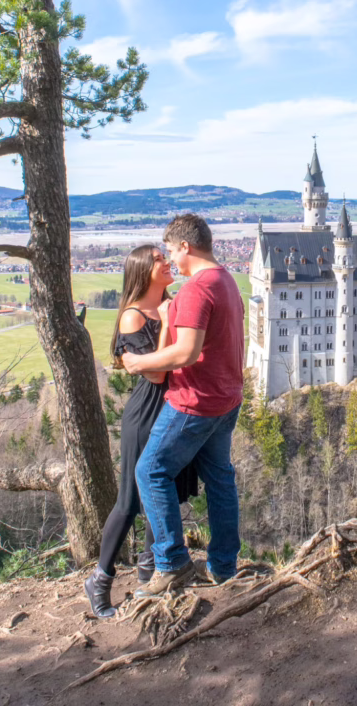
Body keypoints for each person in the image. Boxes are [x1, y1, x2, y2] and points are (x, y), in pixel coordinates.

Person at [123, 213, 244, 595]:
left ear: (186, 247)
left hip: (195, 401)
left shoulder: (196, 289)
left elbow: (187, 352)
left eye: (172, 251)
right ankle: (223, 567)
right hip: (227, 397)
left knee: (150, 472)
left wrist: (139, 362)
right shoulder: (226, 280)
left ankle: (172, 564)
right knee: (221, 480)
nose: (172, 259)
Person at [84, 245, 198, 618]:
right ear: (142, 270)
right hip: (147, 413)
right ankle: (101, 579)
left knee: (160, 498)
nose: (167, 262)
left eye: (166, 257)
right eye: (159, 259)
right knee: (130, 501)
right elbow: (155, 373)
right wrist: (165, 320)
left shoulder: (171, 303)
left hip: (174, 410)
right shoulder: (133, 317)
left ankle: (152, 575)